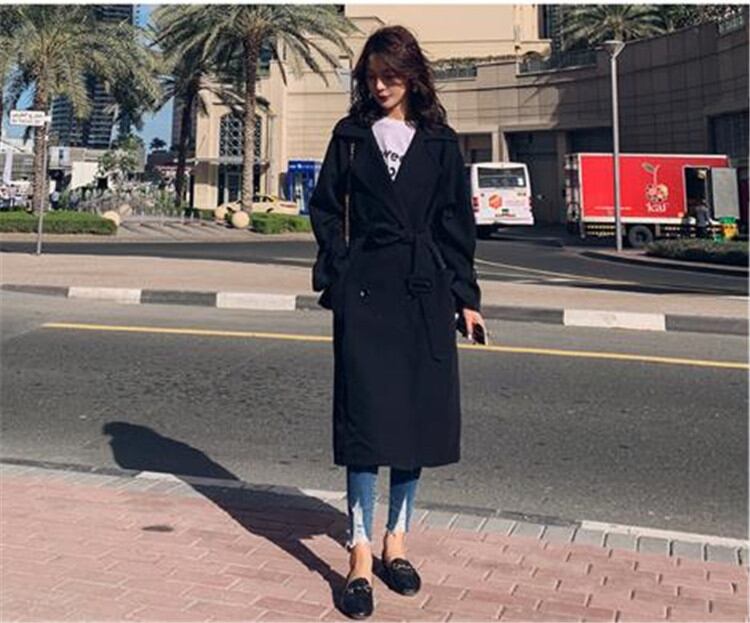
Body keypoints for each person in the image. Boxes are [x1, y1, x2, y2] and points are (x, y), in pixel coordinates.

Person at [308, 25, 486, 619]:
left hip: (424, 291)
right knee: (365, 422)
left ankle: (397, 543)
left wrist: (465, 297)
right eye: (372, 76)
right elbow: (325, 207)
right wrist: (339, 271)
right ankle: (359, 554)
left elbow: (456, 224)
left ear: (412, 76)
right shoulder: (350, 136)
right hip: (365, 292)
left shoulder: (439, 141)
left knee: (415, 421)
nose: (380, 86)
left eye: (390, 76)